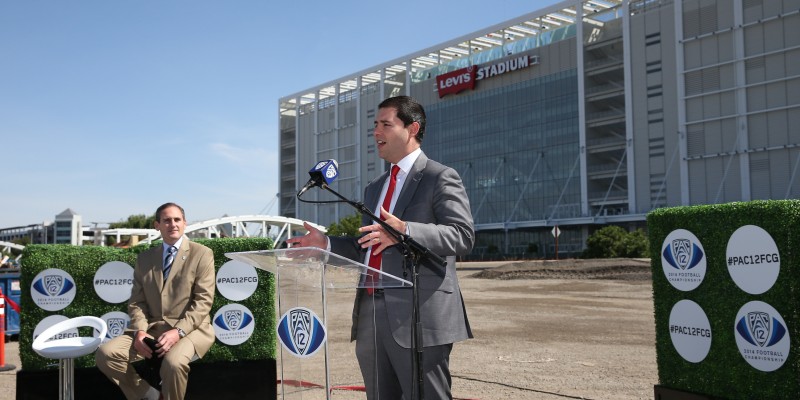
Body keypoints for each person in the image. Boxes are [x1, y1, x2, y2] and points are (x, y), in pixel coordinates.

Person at [287, 96, 475, 399]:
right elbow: (366, 246)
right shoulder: (375, 187)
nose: (376, 132)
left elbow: (462, 236)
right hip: (371, 315)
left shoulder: (439, 177)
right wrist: (326, 244)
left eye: (385, 124)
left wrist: (406, 230)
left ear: (412, 128)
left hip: (419, 315)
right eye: (375, 125)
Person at [96, 202, 216, 400]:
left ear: (185, 223)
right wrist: (140, 331)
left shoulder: (202, 254)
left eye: (177, 219)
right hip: (151, 329)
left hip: (190, 330)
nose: (173, 224)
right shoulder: (144, 258)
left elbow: (203, 302)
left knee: (173, 364)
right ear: (157, 225)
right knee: (106, 354)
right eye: (166, 220)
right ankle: (150, 395)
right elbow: (137, 302)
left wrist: (178, 332)